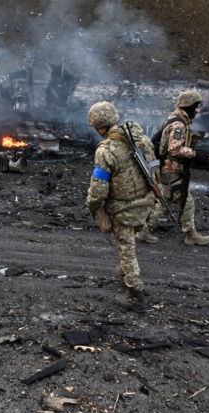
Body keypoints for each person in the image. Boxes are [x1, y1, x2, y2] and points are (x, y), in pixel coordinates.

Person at [86, 101, 155, 313]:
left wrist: (92, 206)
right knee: (130, 243)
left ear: (100, 127)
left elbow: (98, 189)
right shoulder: (141, 139)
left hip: (124, 209)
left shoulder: (105, 150)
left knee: (126, 250)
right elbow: (154, 170)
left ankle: (136, 295)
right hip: (146, 202)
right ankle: (126, 274)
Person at [136, 90, 209, 246]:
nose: (198, 111)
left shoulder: (173, 118)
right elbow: (174, 149)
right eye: (197, 107)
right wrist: (194, 154)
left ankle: (143, 230)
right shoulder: (179, 125)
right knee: (184, 201)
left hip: (167, 169)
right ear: (190, 106)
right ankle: (191, 235)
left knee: (166, 200)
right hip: (172, 170)